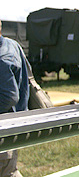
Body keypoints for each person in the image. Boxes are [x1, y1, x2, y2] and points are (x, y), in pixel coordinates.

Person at [0, 20, 29, 177]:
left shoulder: (1, 58)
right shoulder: (13, 45)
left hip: (3, 129)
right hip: (15, 124)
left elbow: (8, 97)